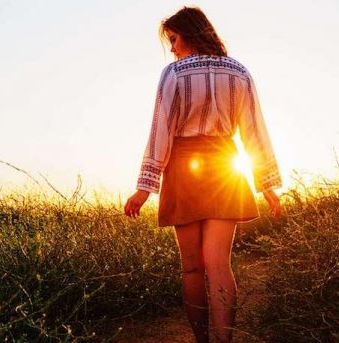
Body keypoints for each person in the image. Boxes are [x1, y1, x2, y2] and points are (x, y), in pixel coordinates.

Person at [122, 6, 283, 343]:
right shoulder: (239, 71)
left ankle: (202, 341)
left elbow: (160, 132)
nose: (172, 47)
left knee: (192, 267)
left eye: (174, 38)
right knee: (219, 265)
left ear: (190, 35)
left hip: (184, 169)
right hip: (226, 166)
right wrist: (267, 183)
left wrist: (144, 187)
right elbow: (254, 131)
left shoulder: (173, 73)